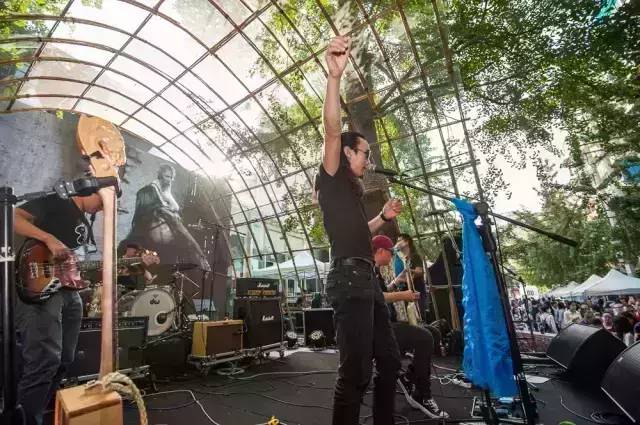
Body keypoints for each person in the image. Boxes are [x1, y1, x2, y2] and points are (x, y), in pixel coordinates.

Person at [317, 35, 403, 425]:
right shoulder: (333, 174)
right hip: (348, 280)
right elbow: (331, 130)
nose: (368, 159)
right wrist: (334, 77)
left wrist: (382, 216)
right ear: (348, 151)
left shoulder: (352, 193)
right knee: (355, 373)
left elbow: (358, 232)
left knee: (389, 360)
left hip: (367, 279)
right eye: (365, 153)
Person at [14, 192, 103, 425]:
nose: (103, 207)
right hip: (41, 286)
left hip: (68, 289)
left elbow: (71, 260)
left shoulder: (83, 218)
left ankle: (36, 414)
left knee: (64, 359)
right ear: (90, 190)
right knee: (44, 360)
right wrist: (49, 239)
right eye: (102, 200)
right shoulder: (58, 200)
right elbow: (14, 217)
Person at [372, 235, 449, 418]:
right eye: (390, 252)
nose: (392, 256)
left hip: (388, 322)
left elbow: (383, 292)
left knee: (433, 332)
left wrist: (396, 283)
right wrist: (403, 295)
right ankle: (422, 394)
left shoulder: (376, 271)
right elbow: (375, 297)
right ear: (380, 251)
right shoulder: (366, 271)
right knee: (425, 338)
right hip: (377, 329)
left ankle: (409, 377)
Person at [124, 164, 210, 272]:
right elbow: (156, 208)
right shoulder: (149, 190)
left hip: (162, 227)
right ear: (160, 176)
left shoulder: (165, 190)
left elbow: (174, 207)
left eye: (171, 177)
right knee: (177, 225)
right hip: (149, 225)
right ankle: (199, 257)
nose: (169, 180)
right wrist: (168, 211)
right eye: (166, 176)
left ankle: (198, 258)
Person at [395, 234, 428, 318]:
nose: (397, 243)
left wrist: (408, 271)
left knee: (420, 318)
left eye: (399, 241)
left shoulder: (415, 256)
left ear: (407, 242)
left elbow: (420, 271)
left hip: (418, 294)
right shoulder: (404, 259)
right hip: (408, 295)